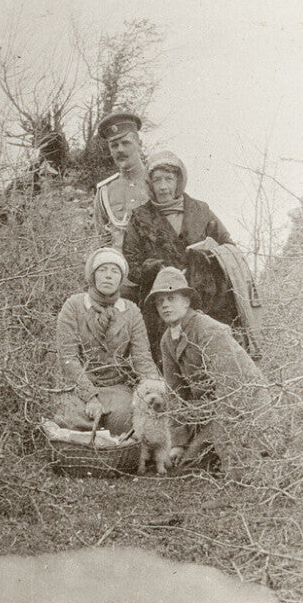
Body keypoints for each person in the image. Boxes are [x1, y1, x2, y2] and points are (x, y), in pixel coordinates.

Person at [145, 266, 270, 476]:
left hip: (246, 407)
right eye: (160, 301)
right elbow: (176, 394)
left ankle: (238, 475)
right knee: (187, 468)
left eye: (171, 298)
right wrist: (179, 443)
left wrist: (223, 435)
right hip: (215, 412)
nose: (165, 305)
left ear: (186, 301)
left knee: (238, 466)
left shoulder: (207, 328)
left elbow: (233, 385)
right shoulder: (167, 340)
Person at [122, 150, 236, 362]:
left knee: (210, 355)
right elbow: (131, 264)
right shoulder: (139, 218)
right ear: (149, 184)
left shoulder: (200, 210)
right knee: (169, 359)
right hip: (161, 304)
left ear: (179, 180)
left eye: (169, 179)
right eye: (157, 180)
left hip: (206, 300)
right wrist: (159, 269)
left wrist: (209, 251)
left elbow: (228, 246)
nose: (163, 186)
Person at [53, 246, 162, 436]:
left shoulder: (131, 311)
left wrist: (156, 389)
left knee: (127, 419)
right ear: (93, 276)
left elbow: (142, 358)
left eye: (114, 271)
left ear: (121, 279)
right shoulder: (74, 305)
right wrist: (90, 397)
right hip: (78, 386)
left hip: (117, 389)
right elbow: (68, 358)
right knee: (66, 418)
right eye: (102, 270)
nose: (108, 276)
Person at [92, 111, 150, 253]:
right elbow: (102, 241)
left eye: (126, 143)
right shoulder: (105, 191)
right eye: (114, 145)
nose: (120, 150)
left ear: (139, 143)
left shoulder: (158, 183)